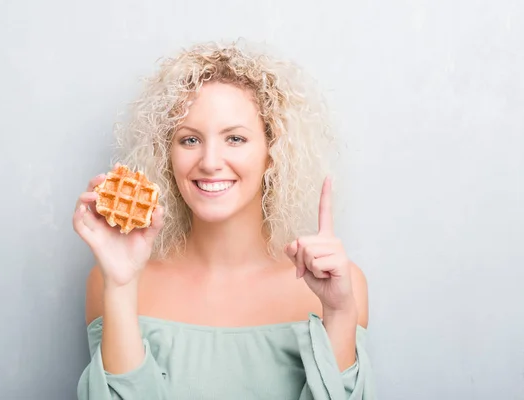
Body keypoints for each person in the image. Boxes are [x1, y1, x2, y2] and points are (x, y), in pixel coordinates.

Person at [73, 40, 376, 399]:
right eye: (189, 140)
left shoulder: (338, 286)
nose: (211, 161)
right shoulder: (111, 280)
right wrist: (121, 288)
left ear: (272, 153)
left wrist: (339, 314)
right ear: (166, 153)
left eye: (235, 138)